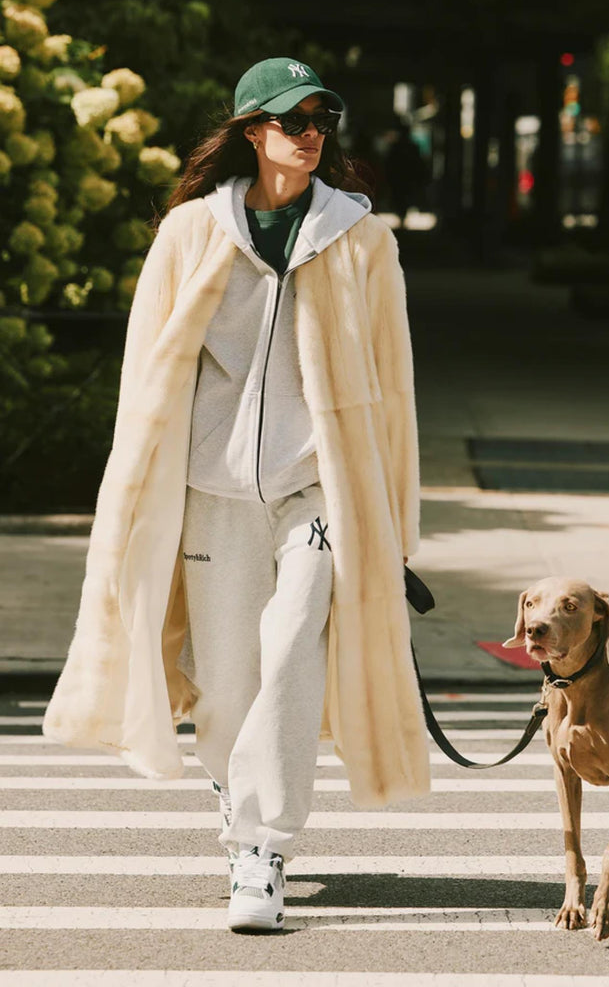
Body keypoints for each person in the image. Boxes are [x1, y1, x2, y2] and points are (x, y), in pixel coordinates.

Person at [42, 57, 431, 933]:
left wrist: (395, 522)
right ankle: (237, 793)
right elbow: (147, 378)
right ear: (254, 131)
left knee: (294, 643)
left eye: (320, 120)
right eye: (292, 120)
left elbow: (395, 388)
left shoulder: (362, 239)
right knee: (225, 681)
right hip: (210, 487)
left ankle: (262, 848)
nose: (310, 134)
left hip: (317, 484)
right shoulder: (190, 234)